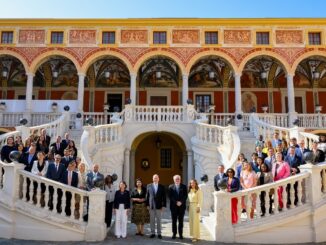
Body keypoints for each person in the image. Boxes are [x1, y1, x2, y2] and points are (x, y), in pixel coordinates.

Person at [146, 174, 166, 239]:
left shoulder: (162, 186)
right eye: (154, 178)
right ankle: (152, 233)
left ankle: (159, 233)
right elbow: (147, 196)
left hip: (159, 206)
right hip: (151, 206)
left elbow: (164, 197)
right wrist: (147, 205)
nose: (155, 179)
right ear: (152, 179)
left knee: (159, 220)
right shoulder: (149, 186)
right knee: (152, 220)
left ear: (158, 179)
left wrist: (163, 206)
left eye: (156, 178)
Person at [169, 175, 187, 239]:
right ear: (174, 180)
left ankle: (180, 234)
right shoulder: (170, 187)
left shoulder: (184, 186)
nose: (177, 180)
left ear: (180, 179)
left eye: (178, 179)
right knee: (174, 221)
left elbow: (185, 196)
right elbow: (170, 197)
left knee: (181, 221)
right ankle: (174, 233)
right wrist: (176, 202)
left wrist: (181, 202)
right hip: (173, 207)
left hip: (181, 207)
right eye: (176, 179)